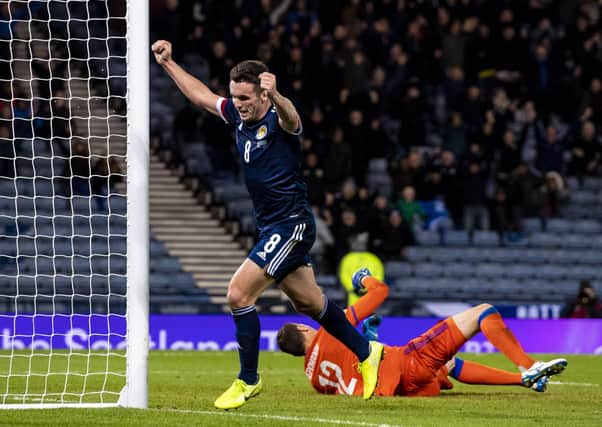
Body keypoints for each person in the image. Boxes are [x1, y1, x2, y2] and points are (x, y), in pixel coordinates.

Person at [151, 40, 383, 409]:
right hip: (271, 226)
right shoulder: (236, 116)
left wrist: (278, 96)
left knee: (238, 294)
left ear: (262, 94)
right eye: (236, 97)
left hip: (291, 225)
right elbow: (202, 97)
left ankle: (248, 380)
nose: (239, 104)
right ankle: (366, 353)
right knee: (310, 304)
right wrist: (169, 64)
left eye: (245, 98)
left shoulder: (277, 119)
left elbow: (293, 119)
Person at [277, 268, 568, 397]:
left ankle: (525, 381)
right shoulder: (330, 328)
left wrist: (368, 336)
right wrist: (363, 278)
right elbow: (380, 293)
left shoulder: (314, 378)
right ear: (304, 326)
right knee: (484, 312)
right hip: (407, 366)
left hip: (404, 390)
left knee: (449, 363)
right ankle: (529, 367)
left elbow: (356, 367)